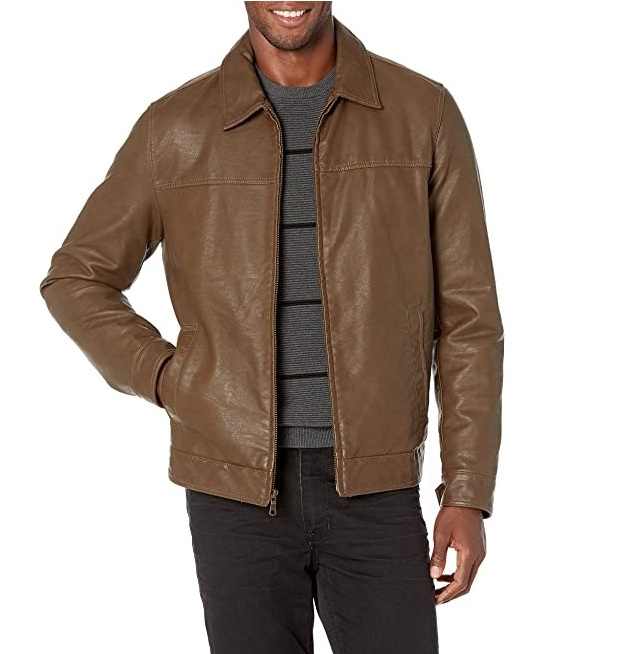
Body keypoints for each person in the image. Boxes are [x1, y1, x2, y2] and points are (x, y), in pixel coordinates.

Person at [39, 2, 504, 652]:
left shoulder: (421, 113)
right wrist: (169, 378)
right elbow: (76, 278)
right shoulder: (176, 126)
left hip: (377, 488)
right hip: (233, 493)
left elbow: (468, 319)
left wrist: (467, 492)